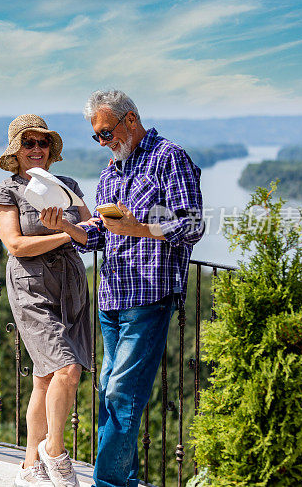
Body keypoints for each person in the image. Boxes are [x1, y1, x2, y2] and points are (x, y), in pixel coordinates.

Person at [41, 90, 205, 487]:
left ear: (130, 119)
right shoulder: (110, 172)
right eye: (96, 137)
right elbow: (100, 235)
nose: (103, 142)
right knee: (111, 394)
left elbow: (193, 225)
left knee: (120, 395)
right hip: (112, 299)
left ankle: (108, 484)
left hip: (149, 298)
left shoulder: (169, 157)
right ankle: (123, 481)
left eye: (106, 132)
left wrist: (139, 228)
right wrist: (65, 226)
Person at [0, 114, 93, 487]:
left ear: (50, 150)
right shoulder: (6, 190)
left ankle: (30, 465)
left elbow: (91, 232)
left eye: (42, 143)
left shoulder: (69, 186)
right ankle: (56, 454)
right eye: (28, 143)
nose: (36, 149)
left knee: (46, 378)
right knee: (68, 369)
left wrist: (69, 228)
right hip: (31, 287)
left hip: (71, 285)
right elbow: (15, 245)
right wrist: (67, 232)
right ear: (16, 150)